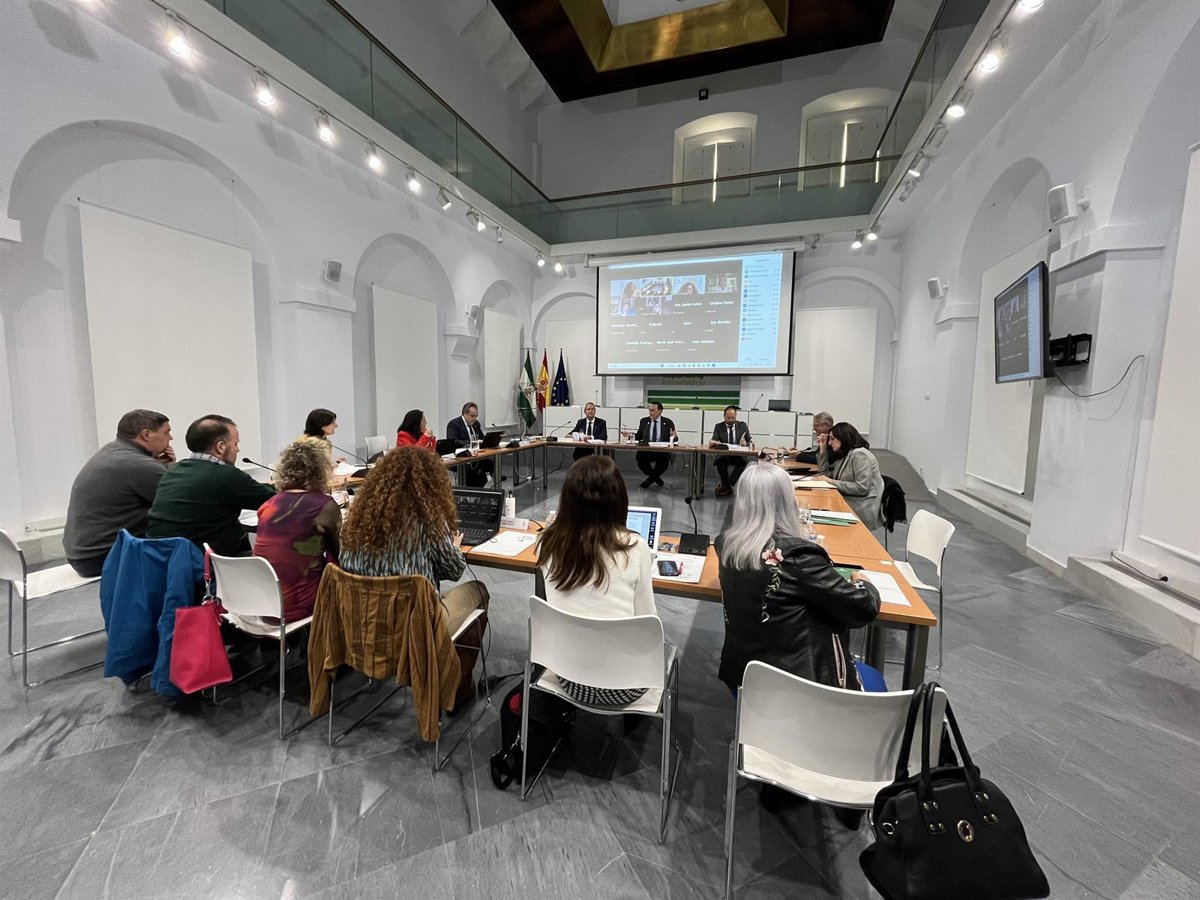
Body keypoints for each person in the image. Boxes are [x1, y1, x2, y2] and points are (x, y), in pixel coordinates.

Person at [715, 460, 881, 825]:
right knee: (873, 686)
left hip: (744, 678)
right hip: (798, 687)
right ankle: (848, 783)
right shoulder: (798, 555)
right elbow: (862, 609)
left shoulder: (726, 544)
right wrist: (866, 583)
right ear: (786, 502)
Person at [339, 447, 489, 710]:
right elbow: (454, 570)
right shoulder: (427, 519)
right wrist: (454, 546)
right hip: (417, 628)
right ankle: (457, 688)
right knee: (479, 590)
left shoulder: (356, 520)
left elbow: (347, 565)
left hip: (367, 625)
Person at [537, 455, 655, 706]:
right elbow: (648, 624)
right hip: (625, 685)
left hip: (568, 675)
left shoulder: (547, 543)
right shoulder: (635, 547)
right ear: (618, 500)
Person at [63, 409, 176, 577]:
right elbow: (178, 502)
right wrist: (170, 466)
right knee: (186, 525)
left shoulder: (112, 451)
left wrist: (163, 465)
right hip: (102, 557)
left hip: (82, 554)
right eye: (166, 432)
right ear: (146, 434)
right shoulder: (139, 464)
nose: (170, 438)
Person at [147, 415, 276, 556]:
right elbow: (278, 501)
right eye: (235, 444)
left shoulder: (174, 470)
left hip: (161, 558)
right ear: (221, 446)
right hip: (205, 563)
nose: (237, 450)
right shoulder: (226, 475)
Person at [253, 440, 340, 621]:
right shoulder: (324, 505)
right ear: (321, 470)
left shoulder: (269, 505)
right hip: (301, 604)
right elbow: (340, 553)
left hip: (262, 603)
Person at [816, 422, 886, 529]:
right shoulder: (845, 455)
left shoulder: (860, 455)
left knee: (817, 512)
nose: (829, 443)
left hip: (860, 506)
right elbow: (824, 475)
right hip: (848, 500)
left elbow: (862, 488)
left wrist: (831, 482)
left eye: (832, 439)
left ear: (843, 438)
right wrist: (822, 450)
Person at [446, 401, 493, 488]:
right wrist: (470, 443)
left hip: (475, 455)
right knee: (471, 470)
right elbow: (452, 441)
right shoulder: (454, 424)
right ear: (465, 414)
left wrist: (487, 441)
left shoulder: (476, 424)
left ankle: (477, 488)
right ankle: (471, 488)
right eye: (472, 416)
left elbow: (481, 437)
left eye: (476, 416)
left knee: (489, 464)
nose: (474, 418)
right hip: (461, 457)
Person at [709, 405, 752, 497]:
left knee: (743, 463)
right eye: (728, 418)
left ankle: (727, 485)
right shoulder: (718, 426)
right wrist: (713, 442)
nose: (731, 420)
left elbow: (750, 442)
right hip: (725, 454)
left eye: (733, 418)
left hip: (738, 455)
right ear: (724, 416)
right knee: (720, 462)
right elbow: (714, 440)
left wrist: (746, 443)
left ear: (736, 416)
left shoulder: (743, 426)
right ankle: (727, 486)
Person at [633, 402, 677, 489]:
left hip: (661, 451)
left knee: (663, 464)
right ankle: (656, 478)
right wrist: (630, 435)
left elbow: (674, 438)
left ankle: (650, 480)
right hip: (647, 450)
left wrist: (674, 437)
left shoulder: (668, 422)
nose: (650, 412)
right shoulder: (644, 421)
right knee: (641, 462)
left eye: (653, 410)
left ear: (659, 411)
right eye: (649, 410)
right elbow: (639, 436)